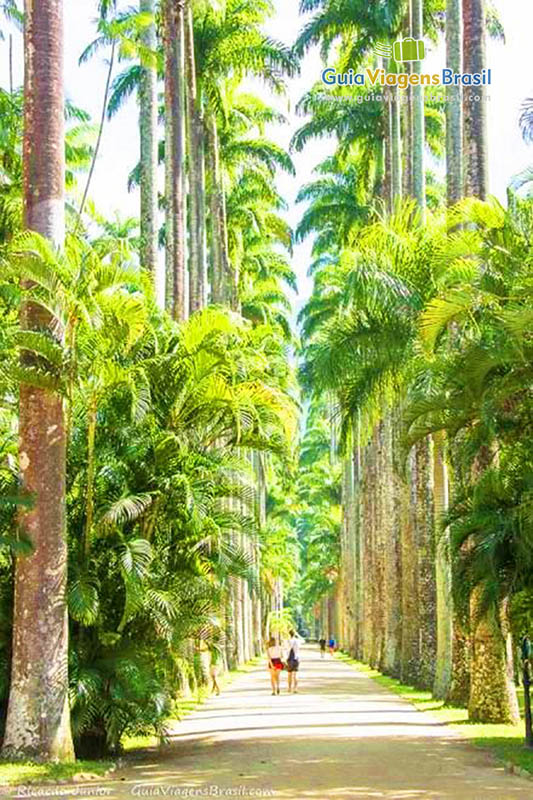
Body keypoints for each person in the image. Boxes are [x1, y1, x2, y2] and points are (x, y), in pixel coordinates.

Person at [286, 629, 301, 693]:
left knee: (289, 674)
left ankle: (289, 688)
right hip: (296, 658)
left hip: (289, 658)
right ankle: (295, 688)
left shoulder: (288, 641)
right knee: (295, 674)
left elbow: (286, 649)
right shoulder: (298, 641)